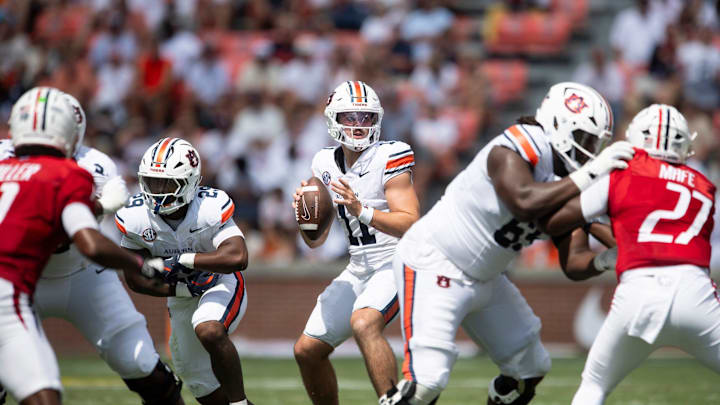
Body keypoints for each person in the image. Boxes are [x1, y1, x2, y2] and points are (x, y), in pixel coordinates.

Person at [380, 82, 635, 405]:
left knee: (529, 370)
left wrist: (606, 259)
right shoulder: (520, 144)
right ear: (559, 125)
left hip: (487, 278)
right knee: (426, 385)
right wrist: (592, 176)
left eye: (596, 145)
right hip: (436, 263)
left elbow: (573, 262)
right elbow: (524, 201)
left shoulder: (569, 180)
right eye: (586, 139)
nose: (591, 152)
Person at [0, 91, 183, 405]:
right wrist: (100, 209)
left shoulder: (92, 163)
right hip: (23, 284)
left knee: (138, 362)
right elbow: (77, 237)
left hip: (81, 277)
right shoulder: (68, 172)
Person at [540, 104, 719, 405]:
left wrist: (590, 217)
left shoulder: (623, 171)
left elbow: (555, 220)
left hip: (637, 291)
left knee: (594, 385)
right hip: (695, 291)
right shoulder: (704, 185)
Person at [292, 80, 421, 405]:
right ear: (333, 119)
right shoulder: (323, 163)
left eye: (366, 117)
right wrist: (306, 215)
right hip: (359, 265)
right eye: (351, 117)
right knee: (307, 350)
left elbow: (410, 223)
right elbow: (315, 243)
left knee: (364, 323)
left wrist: (361, 210)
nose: (359, 125)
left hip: (397, 259)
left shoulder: (390, 155)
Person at [115, 137, 253, 405]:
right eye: (152, 181)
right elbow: (134, 278)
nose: (157, 190)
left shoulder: (209, 206)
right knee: (199, 382)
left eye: (166, 183)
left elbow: (238, 256)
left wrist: (186, 260)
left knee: (209, 329)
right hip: (180, 295)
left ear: (189, 182)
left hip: (220, 283)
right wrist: (183, 286)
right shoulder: (135, 216)